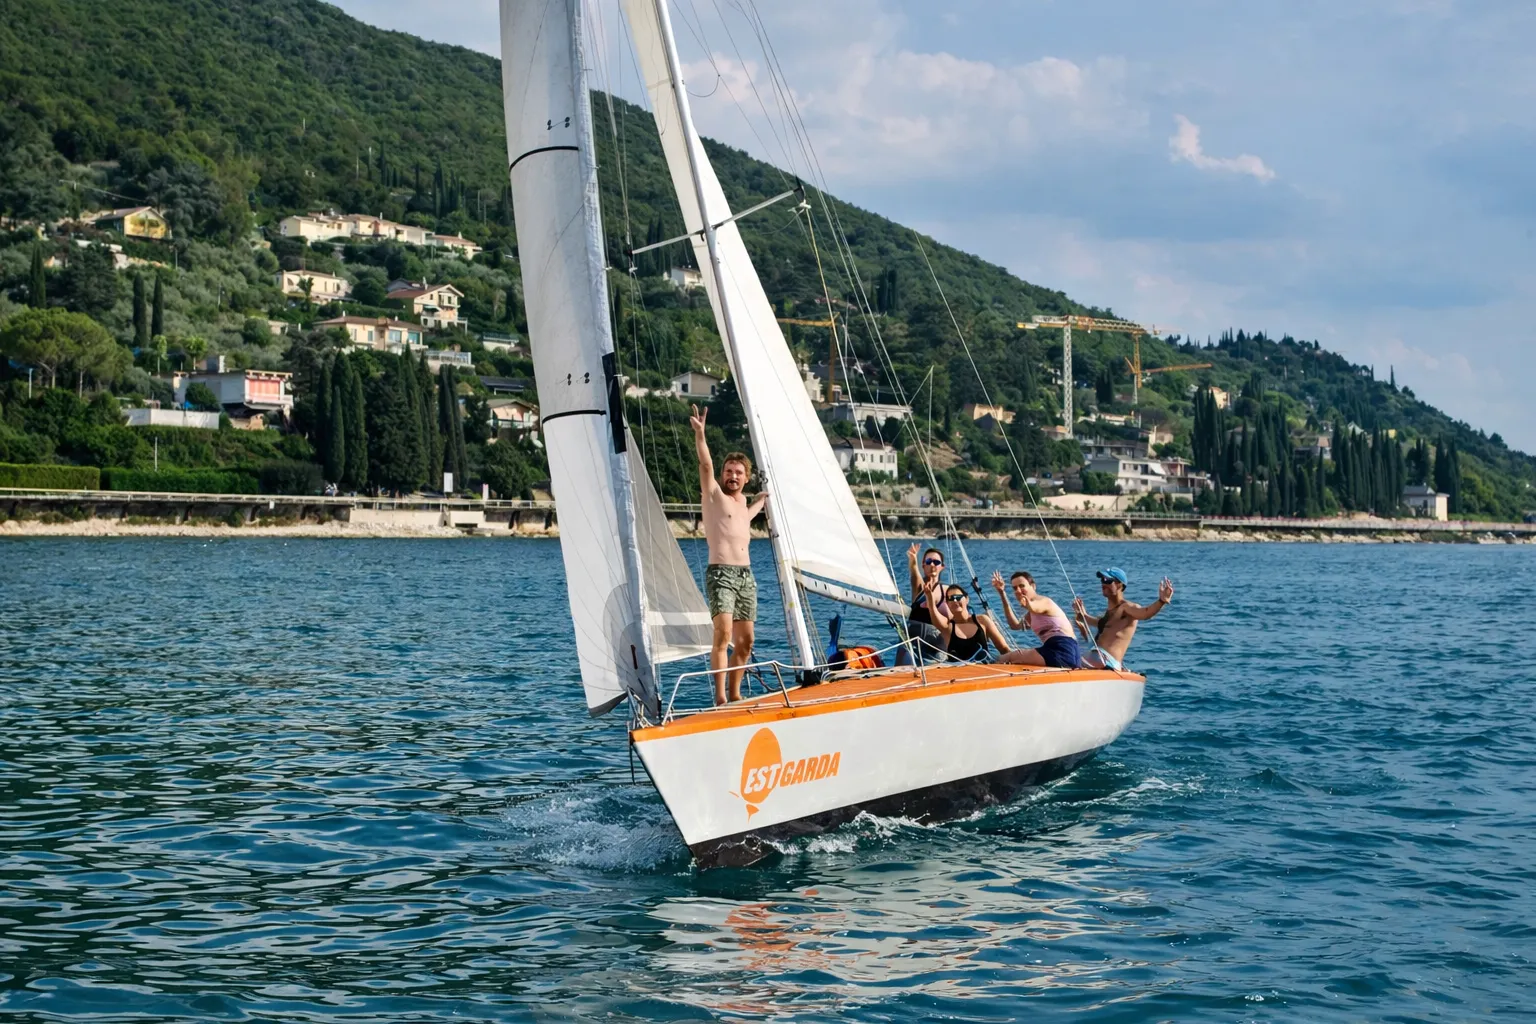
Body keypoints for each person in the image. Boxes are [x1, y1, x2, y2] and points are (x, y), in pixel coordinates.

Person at [691, 404, 769, 706]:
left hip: (746, 576)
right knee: (723, 635)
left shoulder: (742, 504)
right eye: (729, 471)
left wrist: (763, 500)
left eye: (738, 473)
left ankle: (737, 693)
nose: (732, 476)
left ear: (746, 478)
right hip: (721, 573)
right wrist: (701, 435)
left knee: (746, 641)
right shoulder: (714, 495)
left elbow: (746, 517)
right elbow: (706, 465)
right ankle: (721, 696)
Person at [1073, 568, 1174, 670]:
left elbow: (1146, 613)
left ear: (1119, 585)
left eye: (1107, 580)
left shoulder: (1126, 608)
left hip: (1107, 662)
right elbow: (1098, 623)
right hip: (1097, 660)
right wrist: (1083, 615)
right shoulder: (1109, 614)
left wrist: (1161, 601)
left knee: (1066, 660)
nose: (1103, 584)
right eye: (1102, 580)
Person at [991, 570, 1081, 668]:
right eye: (1015, 588)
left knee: (1003, 659)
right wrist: (1002, 593)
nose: (1018, 590)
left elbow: (1035, 607)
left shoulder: (1045, 601)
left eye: (1022, 586)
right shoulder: (1031, 614)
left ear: (1033, 586)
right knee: (1011, 657)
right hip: (1061, 651)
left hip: (1062, 649)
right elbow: (1015, 626)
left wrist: (1027, 604)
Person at [926, 584, 1012, 662]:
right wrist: (930, 600)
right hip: (959, 673)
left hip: (986, 669)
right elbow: (935, 619)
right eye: (951, 598)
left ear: (967, 599)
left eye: (958, 597)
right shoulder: (947, 625)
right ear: (947, 604)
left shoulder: (983, 620)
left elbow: (1003, 648)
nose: (955, 601)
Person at [905, 543, 949, 661]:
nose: (932, 565)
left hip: (937, 647)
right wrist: (913, 559)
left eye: (936, 562)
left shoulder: (947, 591)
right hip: (913, 646)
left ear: (942, 567)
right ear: (923, 565)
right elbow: (914, 573)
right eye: (929, 561)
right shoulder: (919, 588)